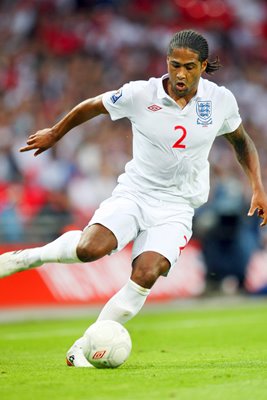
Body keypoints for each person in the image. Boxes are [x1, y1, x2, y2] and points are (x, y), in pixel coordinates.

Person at [1, 30, 267, 367]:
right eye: (174, 65)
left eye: (188, 67)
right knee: (89, 249)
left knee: (146, 273)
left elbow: (242, 141)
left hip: (178, 206)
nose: (180, 74)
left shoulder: (220, 100)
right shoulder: (141, 94)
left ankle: (82, 347)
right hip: (136, 192)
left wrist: (257, 186)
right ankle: (31, 257)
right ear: (166, 63)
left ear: (202, 66)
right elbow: (94, 105)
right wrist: (55, 132)